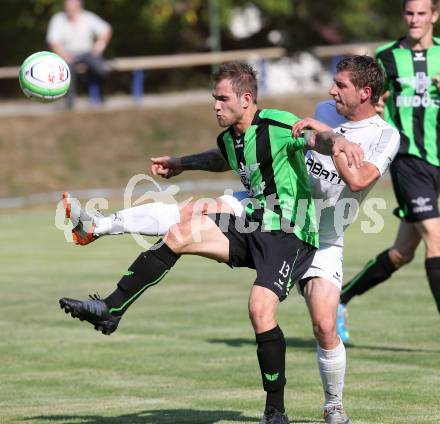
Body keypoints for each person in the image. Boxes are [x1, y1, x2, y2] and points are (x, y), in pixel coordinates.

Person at [59, 61, 367, 424]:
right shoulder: (229, 138)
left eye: (222, 98)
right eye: (213, 98)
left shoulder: (278, 124)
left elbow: (317, 139)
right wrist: (181, 163)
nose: (215, 105)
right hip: (251, 223)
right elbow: (222, 157)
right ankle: (111, 310)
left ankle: (275, 411)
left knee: (259, 308)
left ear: (246, 98)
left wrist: (340, 139)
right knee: (179, 233)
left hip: (291, 235)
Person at [338, 0, 440, 344]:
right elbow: (368, 98)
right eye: (409, 13)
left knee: (402, 253)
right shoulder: (386, 56)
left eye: (421, 13)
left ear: (435, 16)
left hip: (438, 157)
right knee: (436, 239)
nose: (414, 19)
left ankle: (341, 297)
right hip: (409, 160)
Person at [46, 0, 112, 108]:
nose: (69, 7)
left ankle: (102, 98)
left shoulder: (88, 17)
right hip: (66, 54)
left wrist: (99, 47)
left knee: (102, 69)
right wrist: (63, 55)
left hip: (88, 53)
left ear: (79, 6)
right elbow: (53, 42)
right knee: (65, 71)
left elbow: (106, 30)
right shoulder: (58, 19)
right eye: (67, 4)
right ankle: (70, 102)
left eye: (72, 4)